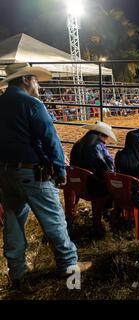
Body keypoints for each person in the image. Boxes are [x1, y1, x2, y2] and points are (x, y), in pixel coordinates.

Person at [0, 63, 90, 291]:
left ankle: (18, 274)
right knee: (53, 219)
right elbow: (50, 139)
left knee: (12, 222)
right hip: (32, 171)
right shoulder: (31, 104)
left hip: (6, 171)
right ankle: (69, 267)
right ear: (27, 80)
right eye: (36, 80)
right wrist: (60, 170)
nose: (38, 85)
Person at [70, 121, 117, 196]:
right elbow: (109, 167)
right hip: (93, 185)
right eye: (106, 136)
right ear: (101, 135)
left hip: (76, 182)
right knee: (116, 187)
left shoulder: (78, 143)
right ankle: (107, 207)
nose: (106, 139)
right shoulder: (98, 146)